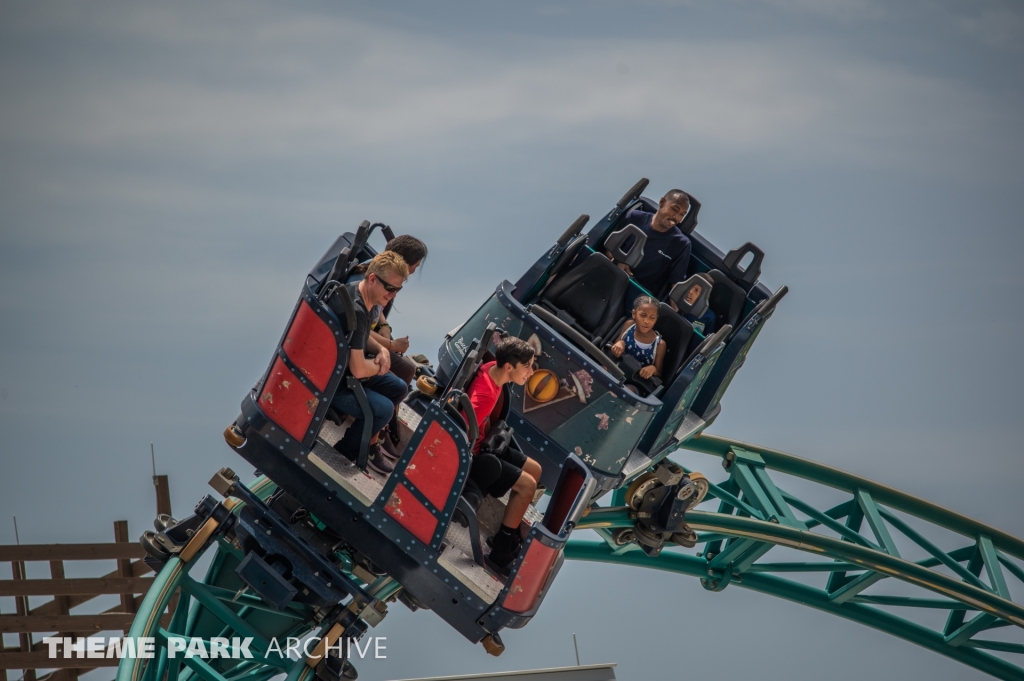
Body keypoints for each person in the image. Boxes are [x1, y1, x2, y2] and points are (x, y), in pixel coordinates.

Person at [464, 336, 543, 575]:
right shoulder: (485, 395)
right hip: (477, 457)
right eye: (527, 366)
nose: (531, 372)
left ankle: (505, 538)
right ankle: (500, 552)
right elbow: (465, 433)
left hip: (487, 442)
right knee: (528, 486)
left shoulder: (492, 369)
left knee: (535, 470)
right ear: (509, 366)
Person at [328, 251, 410, 474]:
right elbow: (359, 368)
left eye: (398, 290)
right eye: (390, 288)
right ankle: (343, 454)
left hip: (343, 370)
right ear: (372, 278)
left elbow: (362, 338)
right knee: (383, 410)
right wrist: (380, 364)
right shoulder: (356, 310)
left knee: (399, 388)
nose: (393, 295)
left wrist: (382, 349)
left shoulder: (360, 296)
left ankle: (361, 441)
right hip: (334, 382)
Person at [352, 235, 429, 385]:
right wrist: (391, 345)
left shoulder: (376, 272)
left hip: (370, 332)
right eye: (416, 265)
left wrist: (384, 325)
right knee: (406, 371)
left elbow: (375, 308)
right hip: (360, 340)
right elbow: (359, 328)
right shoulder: (370, 279)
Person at [608, 189, 692, 300]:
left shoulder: (682, 244)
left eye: (682, 214)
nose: (676, 217)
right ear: (662, 202)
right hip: (612, 276)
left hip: (639, 297)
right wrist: (619, 261)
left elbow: (675, 285)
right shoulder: (634, 218)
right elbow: (608, 249)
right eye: (674, 209)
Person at [609, 296, 667, 385]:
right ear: (634, 314)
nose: (647, 321)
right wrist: (620, 343)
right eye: (643, 315)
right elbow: (614, 348)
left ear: (656, 319)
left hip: (636, 383)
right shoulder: (629, 325)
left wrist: (653, 369)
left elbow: (659, 374)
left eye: (652, 318)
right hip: (617, 369)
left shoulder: (659, 344)